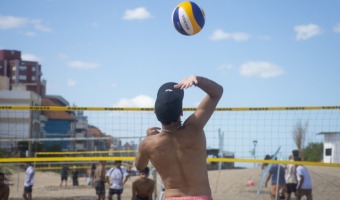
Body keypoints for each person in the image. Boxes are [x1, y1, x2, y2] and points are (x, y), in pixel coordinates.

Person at [135, 75, 223, 200]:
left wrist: (148, 139)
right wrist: (196, 79)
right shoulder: (194, 128)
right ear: (181, 112)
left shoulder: (148, 144)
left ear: (156, 113)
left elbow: (139, 166)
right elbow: (217, 92)